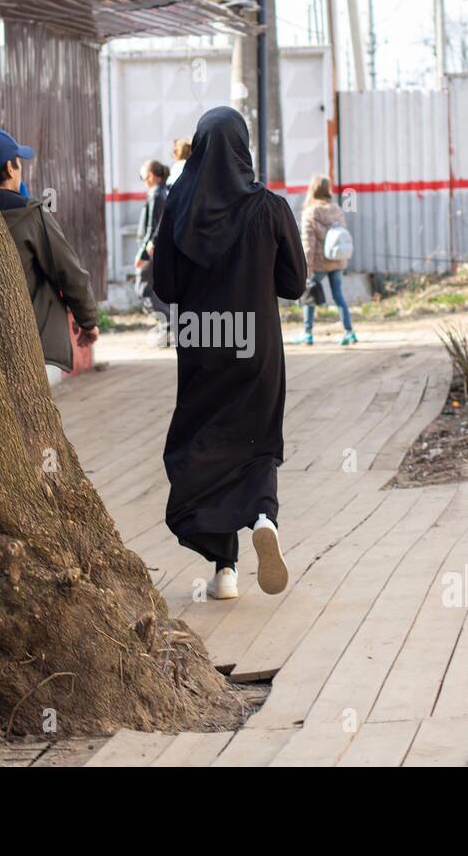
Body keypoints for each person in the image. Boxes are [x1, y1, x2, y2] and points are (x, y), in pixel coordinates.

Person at [152, 107, 307, 600]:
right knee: (256, 439)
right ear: (243, 148)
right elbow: (295, 284)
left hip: (202, 344)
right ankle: (264, 516)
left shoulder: (176, 205)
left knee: (202, 443)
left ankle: (225, 571)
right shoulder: (270, 207)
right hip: (256, 345)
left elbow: (166, 286)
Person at [0, 127, 99, 371]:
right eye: (18, 162)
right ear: (9, 168)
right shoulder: (32, 214)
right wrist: (88, 321)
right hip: (33, 341)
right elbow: (69, 272)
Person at [296, 174, 358, 346]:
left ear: (312, 189)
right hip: (336, 260)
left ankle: (307, 334)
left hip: (318, 263)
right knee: (339, 295)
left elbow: (308, 243)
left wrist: (306, 267)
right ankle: (349, 332)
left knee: (309, 294)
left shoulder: (311, 212)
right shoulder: (336, 209)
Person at [135, 160, 172, 347]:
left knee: (143, 290)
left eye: (143, 176)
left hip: (150, 249)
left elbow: (153, 226)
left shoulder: (157, 195)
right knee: (149, 290)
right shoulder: (160, 192)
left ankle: (170, 322)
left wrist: (142, 254)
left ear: (150, 176)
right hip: (154, 248)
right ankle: (167, 327)